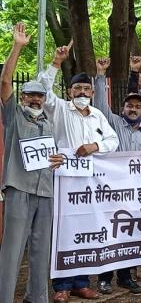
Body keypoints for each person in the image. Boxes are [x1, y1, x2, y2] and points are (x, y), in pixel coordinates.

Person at [38, 44, 119, 303]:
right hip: (64, 183)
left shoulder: (97, 116)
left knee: (87, 230)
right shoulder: (60, 109)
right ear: (69, 91)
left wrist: (94, 146)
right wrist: (55, 62)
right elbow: (42, 89)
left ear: (92, 92)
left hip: (90, 185)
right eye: (77, 89)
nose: (82, 93)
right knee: (63, 231)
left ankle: (81, 284)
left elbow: (113, 140)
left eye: (86, 89)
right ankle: (61, 285)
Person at [0, 23, 64, 303]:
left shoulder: (50, 122)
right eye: (31, 94)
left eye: (40, 95)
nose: (36, 99)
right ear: (23, 96)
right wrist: (18, 46)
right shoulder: (14, 115)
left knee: (41, 252)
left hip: (46, 192)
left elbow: (55, 154)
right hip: (20, 190)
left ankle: (37, 298)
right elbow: (4, 83)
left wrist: (59, 159)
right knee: (12, 251)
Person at [93, 58, 141, 294]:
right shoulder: (113, 124)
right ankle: (105, 277)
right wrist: (101, 74)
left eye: (138, 107)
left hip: (137, 192)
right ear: (123, 108)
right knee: (110, 233)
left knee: (131, 234)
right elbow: (99, 105)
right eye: (129, 105)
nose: (133, 109)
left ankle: (126, 277)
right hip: (112, 190)